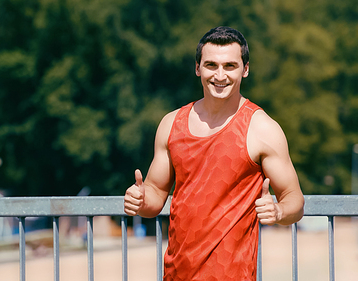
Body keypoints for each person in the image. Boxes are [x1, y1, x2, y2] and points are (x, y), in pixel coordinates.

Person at [124, 26, 304, 281]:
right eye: (211, 65)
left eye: (230, 66)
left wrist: (278, 212)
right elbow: (154, 195)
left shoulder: (263, 128)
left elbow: (294, 199)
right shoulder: (170, 124)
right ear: (198, 68)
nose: (220, 75)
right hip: (176, 274)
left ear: (246, 69)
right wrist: (140, 201)